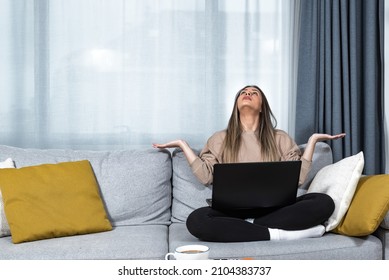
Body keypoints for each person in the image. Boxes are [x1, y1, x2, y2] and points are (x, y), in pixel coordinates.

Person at [153, 85, 345, 242]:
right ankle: (280, 234)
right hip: (231, 212)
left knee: (323, 202)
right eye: (243, 93)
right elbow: (205, 177)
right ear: (236, 105)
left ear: (262, 106)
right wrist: (183, 145)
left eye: (254, 93)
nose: (248, 94)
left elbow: (299, 178)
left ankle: (248, 226)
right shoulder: (219, 138)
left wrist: (312, 142)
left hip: (274, 209)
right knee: (197, 220)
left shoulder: (280, 138)